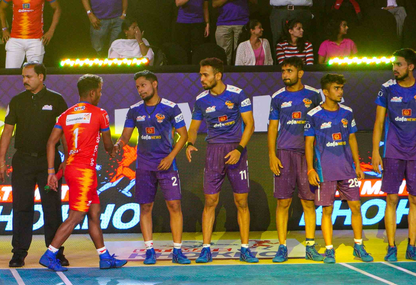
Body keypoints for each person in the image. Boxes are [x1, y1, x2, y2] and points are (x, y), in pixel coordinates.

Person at [39, 76, 128, 271]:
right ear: (93, 93)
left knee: (94, 213)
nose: (101, 95)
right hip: (84, 173)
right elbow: (107, 145)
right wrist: (114, 148)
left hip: (72, 169)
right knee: (76, 216)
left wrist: (51, 171)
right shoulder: (100, 113)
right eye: (100, 91)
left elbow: (51, 142)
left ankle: (104, 257)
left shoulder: (66, 115)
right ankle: (50, 254)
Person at [372, 49, 416, 263]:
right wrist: (375, 151)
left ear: (411, 66)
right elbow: (379, 123)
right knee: (392, 198)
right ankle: (391, 247)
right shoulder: (386, 89)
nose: (395, 68)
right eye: (394, 64)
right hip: (393, 151)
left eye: (399, 64)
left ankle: (411, 247)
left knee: (415, 199)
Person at [0, 63, 69, 268]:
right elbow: (7, 131)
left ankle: (55, 252)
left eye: (29, 77)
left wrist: (67, 157)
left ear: (41, 77)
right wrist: (1, 159)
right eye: (23, 77)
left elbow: (65, 131)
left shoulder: (56, 100)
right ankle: (18, 253)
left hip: (48, 162)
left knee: (52, 207)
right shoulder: (17, 100)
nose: (24, 80)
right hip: (23, 161)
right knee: (21, 206)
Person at [187, 58, 257, 263]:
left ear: (218, 75)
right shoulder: (201, 100)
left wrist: (239, 149)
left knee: (241, 202)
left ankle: (245, 249)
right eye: (200, 75)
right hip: (213, 152)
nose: (202, 79)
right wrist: (190, 143)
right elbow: (193, 128)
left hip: (236, 150)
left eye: (205, 75)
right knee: (210, 201)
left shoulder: (237, 94)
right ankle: (206, 249)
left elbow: (250, 125)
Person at [119, 71, 191, 265]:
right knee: (145, 207)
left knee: (174, 205)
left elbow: (183, 135)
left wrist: (170, 157)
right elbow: (125, 137)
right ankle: (150, 250)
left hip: (167, 164)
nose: (140, 90)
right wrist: (117, 145)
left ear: (154, 84)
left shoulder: (171, 108)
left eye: (143, 85)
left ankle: (177, 251)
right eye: (137, 87)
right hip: (144, 166)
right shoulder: (134, 110)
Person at [305, 73, 375, 264]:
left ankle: (359, 246)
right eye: (336, 88)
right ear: (326, 92)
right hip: (325, 171)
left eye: (341, 88)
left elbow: (352, 138)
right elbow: (309, 143)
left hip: (346, 169)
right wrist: (310, 169)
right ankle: (329, 250)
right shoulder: (313, 115)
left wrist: (358, 165)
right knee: (327, 210)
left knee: (356, 206)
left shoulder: (347, 112)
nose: (340, 92)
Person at [268, 58, 323, 262]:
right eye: (283, 71)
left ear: (300, 73)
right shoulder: (277, 97)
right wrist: (272, 155)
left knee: (308, 202)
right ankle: (282, 247)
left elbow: (321, 124)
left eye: (289, 71)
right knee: (283, 202)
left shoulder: (314, 95)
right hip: (284, 153)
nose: (285, 75)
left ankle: (310, 246)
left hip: (307, 155)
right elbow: (272, 127)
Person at [0, 0, 61, 69]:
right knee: (10, 74)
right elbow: (1, 8)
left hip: (36, 40)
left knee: (34, 74)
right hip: (15, 39)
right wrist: (4, 29)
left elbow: (57, 9)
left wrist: (51, 31)